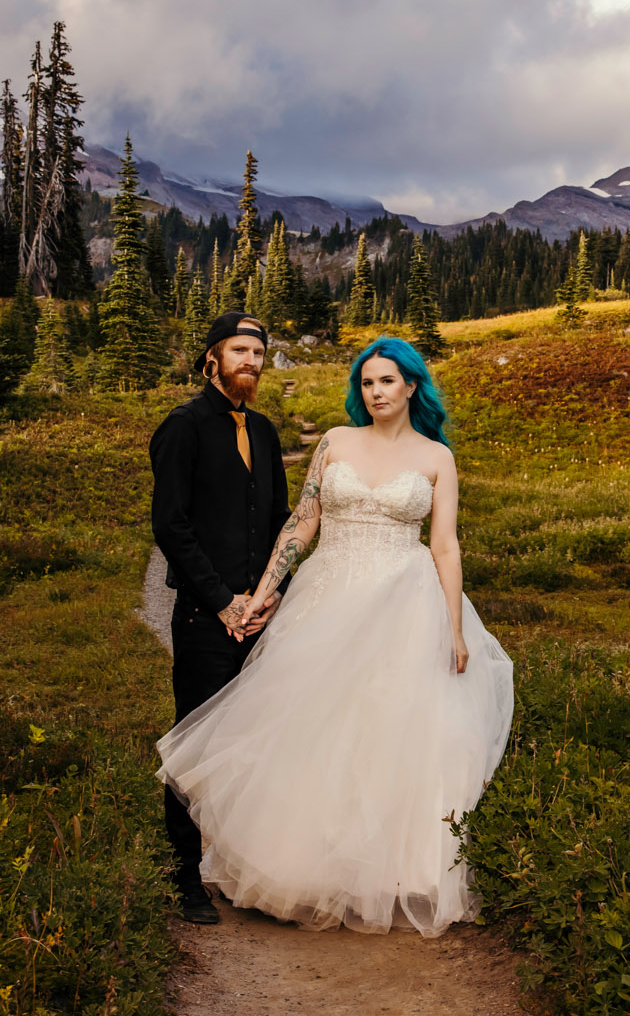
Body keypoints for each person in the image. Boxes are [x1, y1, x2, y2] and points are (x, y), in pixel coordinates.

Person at [155, 336, 513, 937]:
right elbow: (304, 520)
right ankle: (299, 869)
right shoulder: (336, 442)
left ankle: (382, 876)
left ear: (412, 387)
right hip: (327, 595)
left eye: (386, 382)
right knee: (309, 726)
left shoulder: (436, 458)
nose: (374, 393)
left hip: (404, 603)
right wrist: (266, 590)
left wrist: (454, 627)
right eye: (367, 383)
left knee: (387, 734)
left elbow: (445, 545)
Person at [150, 312, 292, 925]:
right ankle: (181, 877)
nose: (251, 362)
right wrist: (222, 600)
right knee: (194, 743)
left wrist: (271, 593)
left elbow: (282, 519)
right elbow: (171, 527)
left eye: (259, 353)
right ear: (212, 357)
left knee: (256, 742)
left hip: (262, 617)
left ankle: (239, 864)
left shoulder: (262, 430)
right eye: (240, 351)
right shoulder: (183, 427)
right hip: (207, 617)